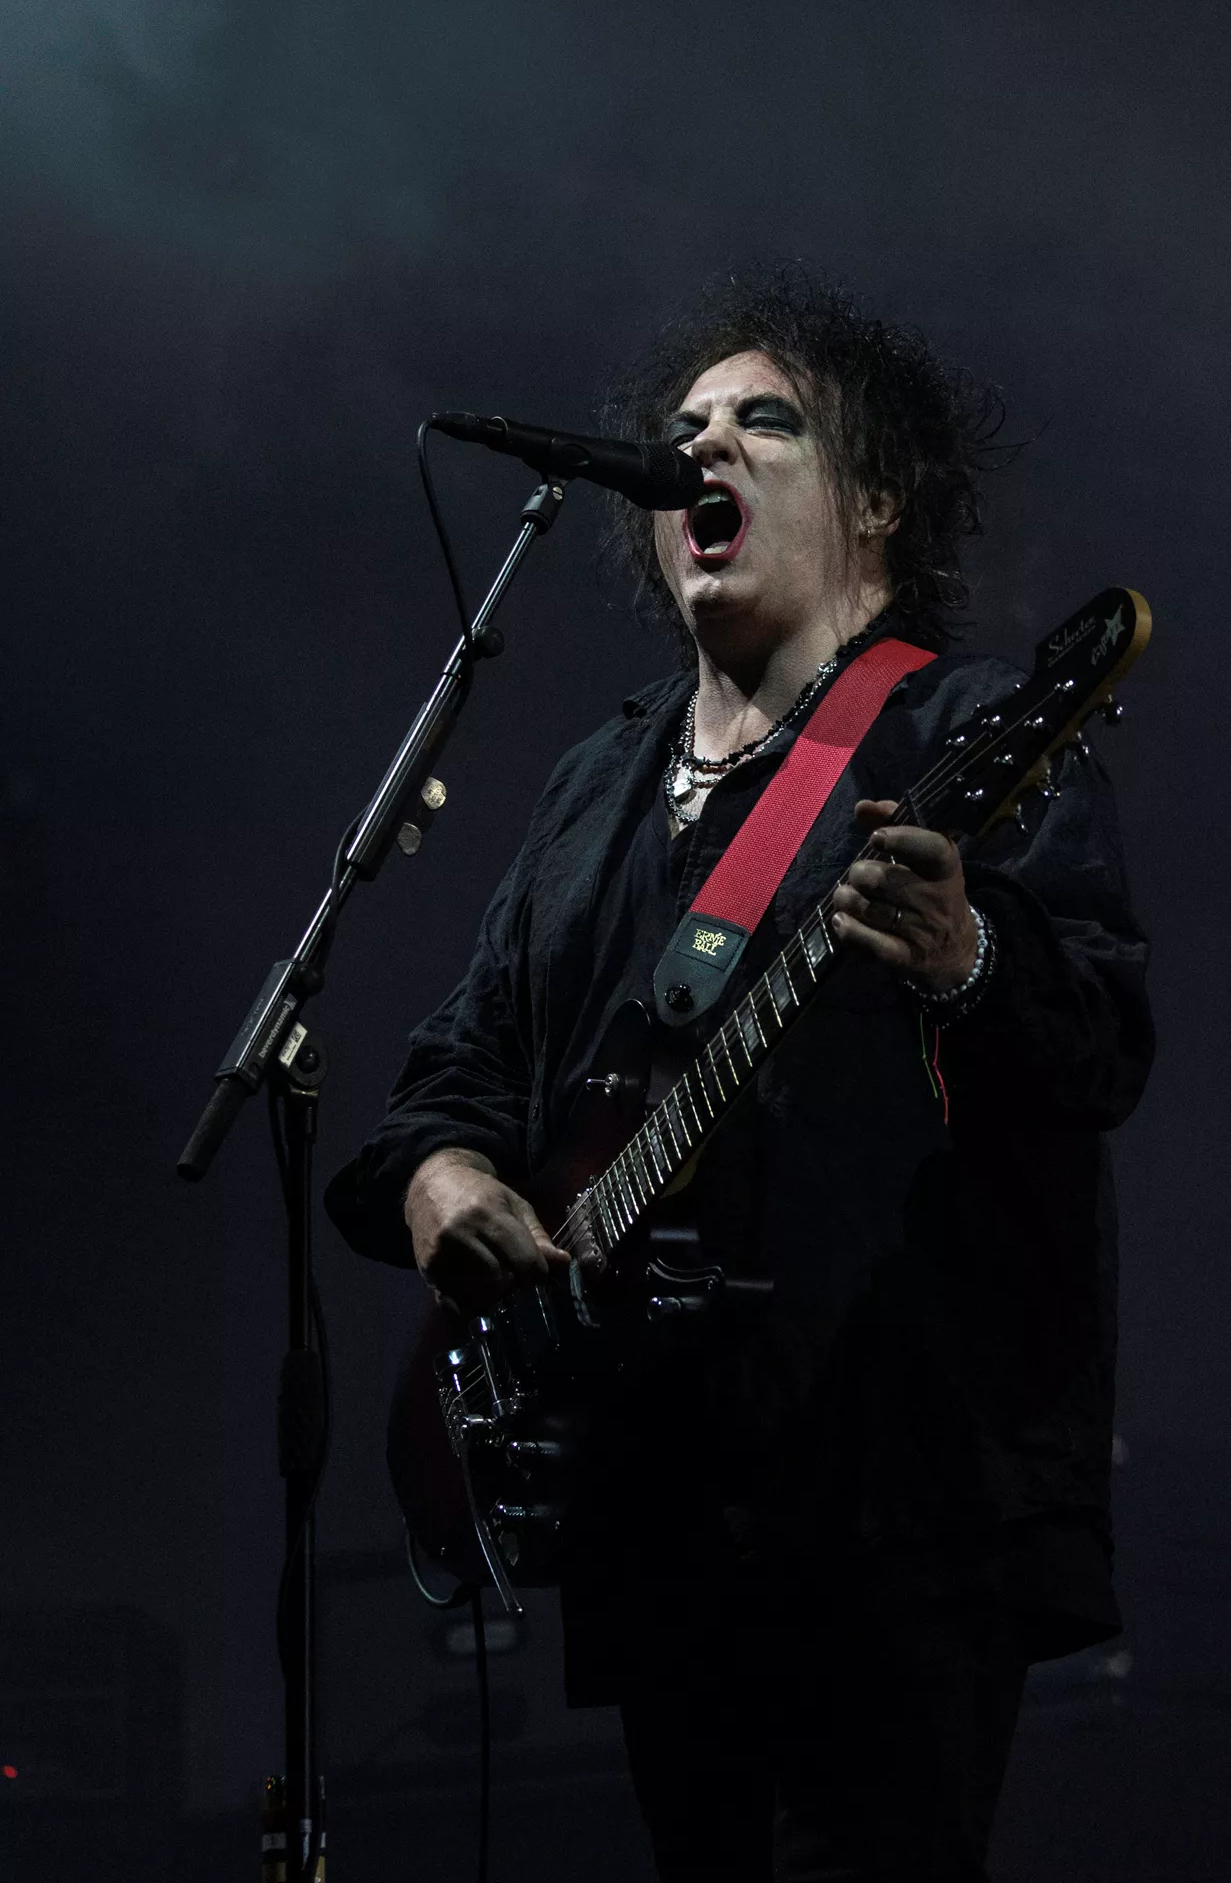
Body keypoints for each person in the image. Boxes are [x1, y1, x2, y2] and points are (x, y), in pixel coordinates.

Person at [326, 266, 1154, 1881]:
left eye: (766, 422)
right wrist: (443, 1178)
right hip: (659, 1501)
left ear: (880, 497)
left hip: (896, 1494)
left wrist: (967, 957)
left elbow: (1105, 1046)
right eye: (688, 426)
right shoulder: (598, 783)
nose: (706, 447)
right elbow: (459, 1067)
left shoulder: (963, 729)